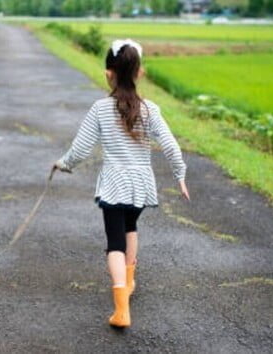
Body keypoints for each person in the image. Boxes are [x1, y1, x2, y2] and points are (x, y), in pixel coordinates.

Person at [53, 39, 190, 328]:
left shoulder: (101, 108)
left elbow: (80, 148)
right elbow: (171, 146)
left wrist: (64, 164)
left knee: (114, 242)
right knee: (130, 227)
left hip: (115, 183)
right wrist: (180, 175)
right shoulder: (150, 109)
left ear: (108, 72)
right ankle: (128, 283)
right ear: (139, 73)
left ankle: (122, 309)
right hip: (141, 183)